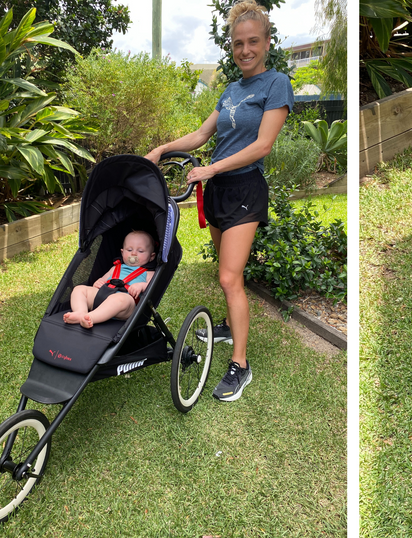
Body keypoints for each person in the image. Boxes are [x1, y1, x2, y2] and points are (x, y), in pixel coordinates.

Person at [144, 0, 293, 402]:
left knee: (228, 277)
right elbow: (200, 135)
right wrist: (162, 148)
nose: (245, 50)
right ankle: (228, 323)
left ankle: (240, 366)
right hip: (219, 192)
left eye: (253, 42)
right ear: (232, 46)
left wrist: (211, 169)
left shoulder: (276, 84)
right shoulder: (229, 89)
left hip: (245, 189)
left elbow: (262, 146)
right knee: (229, 274)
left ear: (266, 42)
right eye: (238, 44)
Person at [64, 230, 156, 329]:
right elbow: (103, 280)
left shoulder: (149, 273)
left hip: (126, 305)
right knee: (79, 289)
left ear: (151, 256)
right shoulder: (115, 268)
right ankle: (80, 312)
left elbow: (153, 287)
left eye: (140, 251)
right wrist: (98, 282)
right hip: (103, 296)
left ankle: (91, 317)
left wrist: (141, 285)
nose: (133, 253)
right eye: (129, 250)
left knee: (119, 299)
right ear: (122, 252)